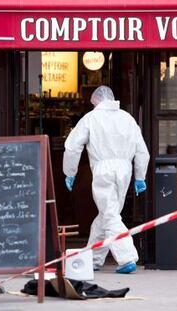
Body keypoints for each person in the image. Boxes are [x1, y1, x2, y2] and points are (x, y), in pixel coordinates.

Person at [63, 86, 150, 274]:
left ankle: (127, 257)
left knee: (110, 215)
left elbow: (72, 147)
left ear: (96, 101)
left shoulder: (91, 118)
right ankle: (93, 258)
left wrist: (70, 172)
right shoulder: (128, 119)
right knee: (107, 214)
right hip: (125, 169)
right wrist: (140, 176)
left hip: (103, 169)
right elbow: (142, 151)